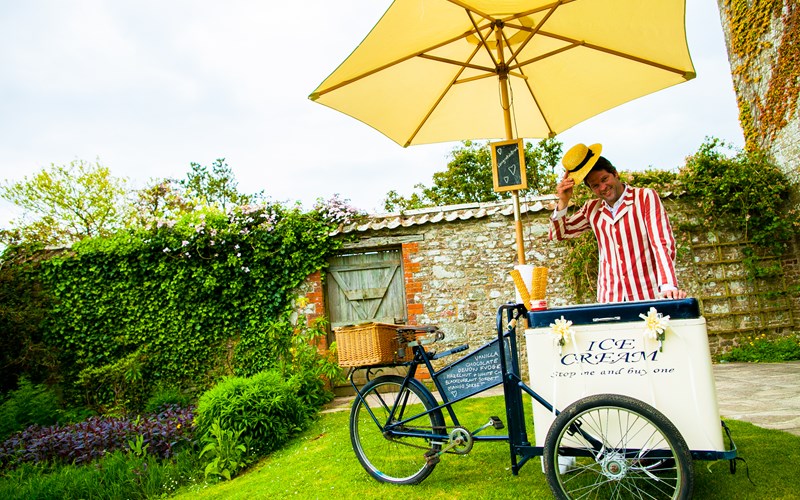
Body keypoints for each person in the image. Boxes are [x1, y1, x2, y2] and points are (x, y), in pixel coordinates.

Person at [549, 143, 687, 303]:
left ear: (615, 173)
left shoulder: (644, 197)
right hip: (610, 298)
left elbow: (661, 243)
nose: (603, 187)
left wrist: (668, 285)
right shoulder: (591, 208)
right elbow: (559, 234)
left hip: (648, 295)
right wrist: (563, 201)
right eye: (595, 185)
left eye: (604, 179)